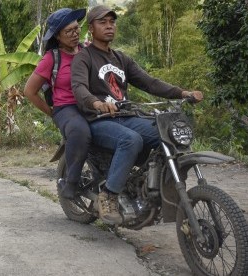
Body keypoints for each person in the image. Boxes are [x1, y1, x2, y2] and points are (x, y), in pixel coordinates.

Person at [71, 5, 203, 225]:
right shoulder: (84, 57)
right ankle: (109, 195)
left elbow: (150, 82)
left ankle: (151, 189)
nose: (109, 26)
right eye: (102, 22)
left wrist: (183, 92)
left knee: (166, 133)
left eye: (112, 22)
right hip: (98, 120)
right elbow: (79, 87)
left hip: (126, 116)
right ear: (91, 28)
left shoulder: (121, 58)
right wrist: (97, 103)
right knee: (131, 140)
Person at [24, 8, 90, 199]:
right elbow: (29, 91)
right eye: (69, 31)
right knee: (80, 131)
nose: (75, 34)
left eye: (77, 29)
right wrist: (52, 113)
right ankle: (71, 182)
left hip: (91, 105)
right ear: (58, 37)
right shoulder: (52, 58)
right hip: (66, 108)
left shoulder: (87, 52)